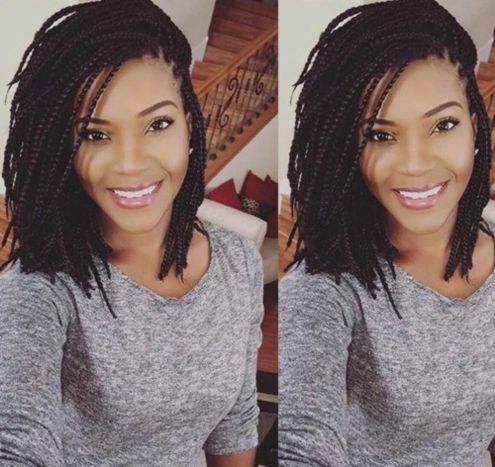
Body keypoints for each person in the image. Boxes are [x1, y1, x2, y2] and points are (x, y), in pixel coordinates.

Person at [0, 1, 263, 466]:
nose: (130, 163)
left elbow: (236, 422)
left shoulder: (239, 263)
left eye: (158, 124)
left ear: (189, 127)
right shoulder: (38, 293)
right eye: (95, 134)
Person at [279, 0, 495, 465]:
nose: (415, 165)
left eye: (443, 125)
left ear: (475, 129)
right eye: (381, 135)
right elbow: (303, 438)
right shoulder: (326, 292)